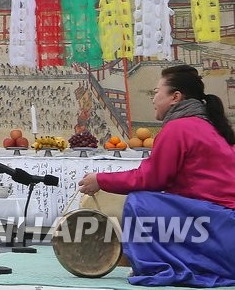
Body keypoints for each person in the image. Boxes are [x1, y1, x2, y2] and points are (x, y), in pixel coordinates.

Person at [77, 65, 235, 287]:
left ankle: (157, 267)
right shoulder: (212, 128)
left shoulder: (180, 128)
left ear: (175, 97)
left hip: (219, 230)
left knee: (139, 202)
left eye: (157, 92)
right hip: (222, 229)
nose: (153, 99)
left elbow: (151, 178)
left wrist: (100, 180)